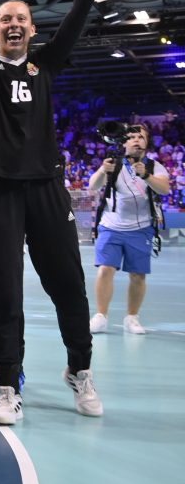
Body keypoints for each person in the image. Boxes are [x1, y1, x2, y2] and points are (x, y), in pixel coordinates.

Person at [0, 0, 132, 424]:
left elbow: (78, 17)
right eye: (4, 19)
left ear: (32, 30)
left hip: (45, 191)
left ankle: (79, 370)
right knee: (5, 293)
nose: (13, 24)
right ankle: (9, 385)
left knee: (68, 287)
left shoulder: (46, 68)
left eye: (22, 19)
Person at [88, 124, 170, 335]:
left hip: (141, 229)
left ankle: (132, 318)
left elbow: (165, 189)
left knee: (138, 275)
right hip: (111, 226)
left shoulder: (155, 167)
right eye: (131, 137)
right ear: (123, 142)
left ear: (146, 142)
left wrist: (146, 176)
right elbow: (93, 186)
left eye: (140, 137)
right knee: (106, 269)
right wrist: (101, 171)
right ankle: (100, 316)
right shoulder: (113, 164)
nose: (136, 140)